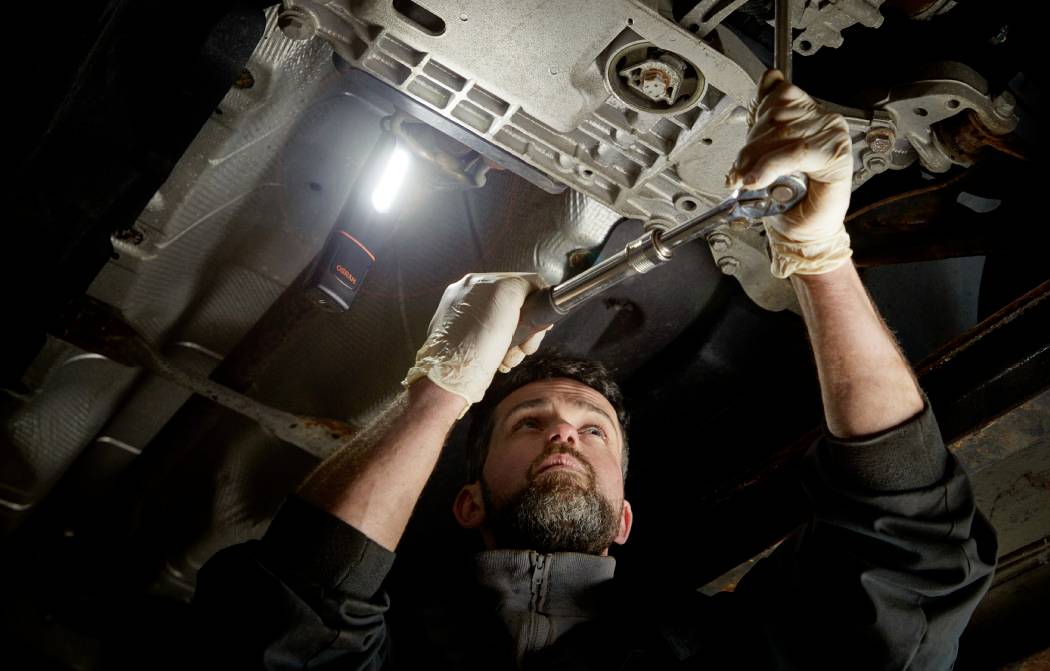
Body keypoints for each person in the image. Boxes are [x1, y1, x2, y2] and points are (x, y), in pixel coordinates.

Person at [193, 71, 997, 669]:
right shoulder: (408, 648)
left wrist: (820, 255)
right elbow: (915, 553)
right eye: (529, 421)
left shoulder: (710, 648)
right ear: (467, 500)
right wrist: (440, 391)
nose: (564, 436)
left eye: (592, 429)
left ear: (624, 519)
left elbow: (283, 626)